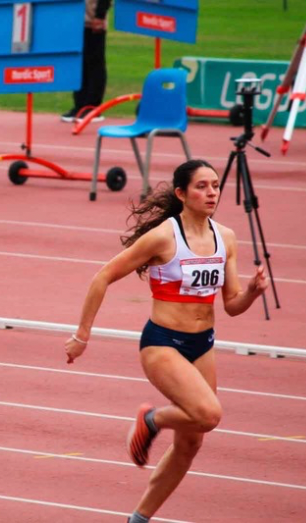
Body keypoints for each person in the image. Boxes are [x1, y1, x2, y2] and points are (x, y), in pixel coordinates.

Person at [63, 159, 269, 523]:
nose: (211, 193)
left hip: (202, 344)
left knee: (191, 442)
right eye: (201, 186)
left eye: (216, 186)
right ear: (181, 193)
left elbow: (232, 305)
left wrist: (252, 291)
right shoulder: (164, 236)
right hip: (163, 343)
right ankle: (152, 419)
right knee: (210, 414)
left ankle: (138, 519)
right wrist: (82, 335)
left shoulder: (227, 237)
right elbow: (103, 277)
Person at [61, 0, 110, 123]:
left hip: (93, 19)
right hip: (76, 19)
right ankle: (80, 105)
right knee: (80, 63)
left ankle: (93, 107)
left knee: (95, 62)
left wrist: (100, 15)